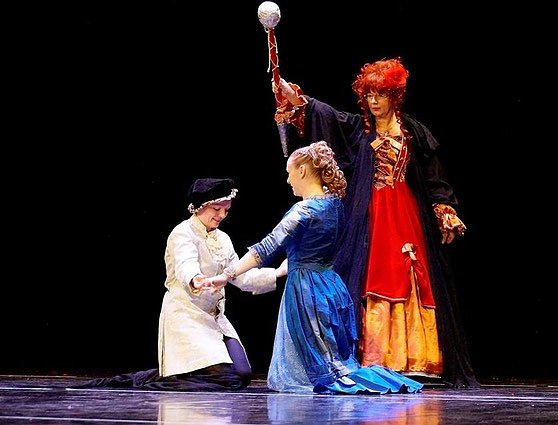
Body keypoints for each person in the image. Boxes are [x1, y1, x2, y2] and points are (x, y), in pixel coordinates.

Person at [271, 58, 479, 388]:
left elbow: (432, 175)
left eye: (380, 94)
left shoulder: (413, 132)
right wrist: (295, 97)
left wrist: (444, 210)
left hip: (406, 213)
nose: (373, 101)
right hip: (371, 214)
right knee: (373, 273)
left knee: (409, 273)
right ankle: (376, 357)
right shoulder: (361, 129)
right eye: (369, 95)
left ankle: (415, 359)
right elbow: (326, 115)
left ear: (394, 96)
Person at [204, 141, 423, 394]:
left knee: (318, 367)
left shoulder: (304, 210)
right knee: (335, 356)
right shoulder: (335, 205)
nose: (288, 180)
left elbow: (266, 247)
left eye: (289, 173)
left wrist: (226, 275)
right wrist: (294, 259)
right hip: (331, 284)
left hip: (306, 288)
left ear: (302, 171)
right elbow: (317, 245)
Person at [78, 177, 286, 391]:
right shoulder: (182, 233)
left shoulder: (223, 239)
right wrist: (196, 279)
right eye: (217, 209)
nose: (222, 215)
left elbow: (239, 276)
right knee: (227, 378)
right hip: (187, 316)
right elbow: (186, 263)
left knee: (242, 374)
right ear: (200, 207)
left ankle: (169, 374)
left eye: (226, 210)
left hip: (214, 319)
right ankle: (158, 379)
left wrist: (278, 273)